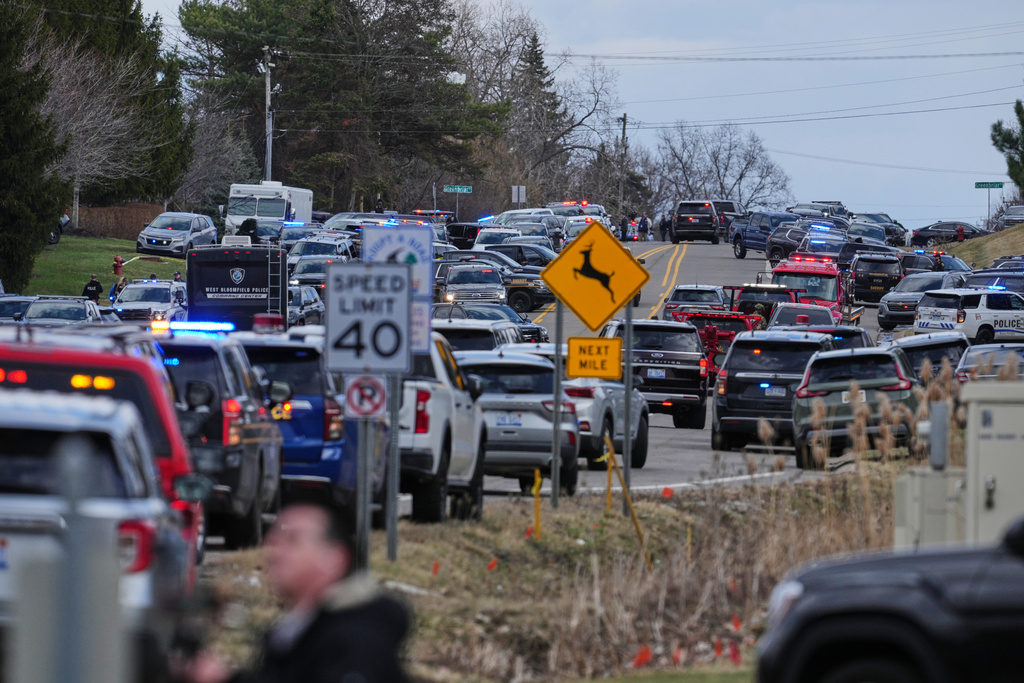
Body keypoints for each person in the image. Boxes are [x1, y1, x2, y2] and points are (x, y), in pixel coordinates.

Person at [182, 501, 411, 683]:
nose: (275, 551)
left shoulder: (355, 642)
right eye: (274, 539)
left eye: (292, 540)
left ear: (333, 558)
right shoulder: (303, 630)